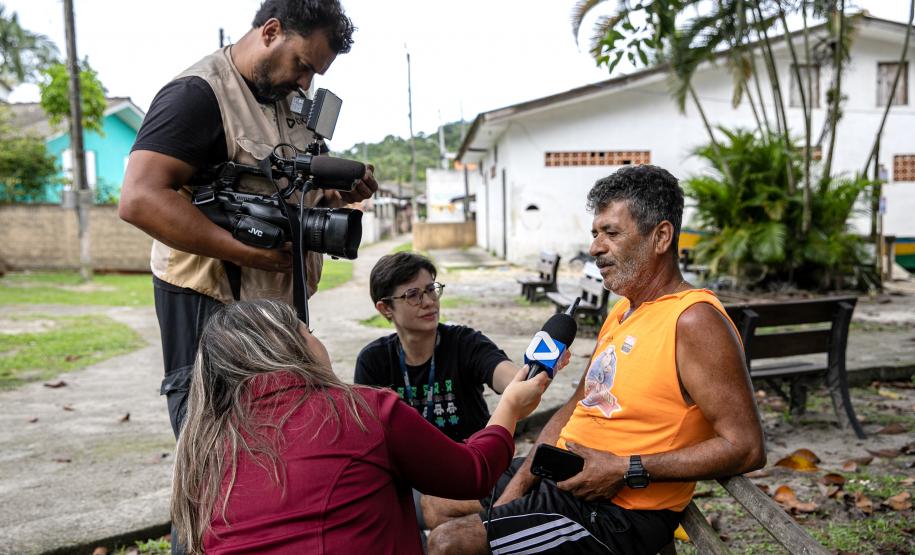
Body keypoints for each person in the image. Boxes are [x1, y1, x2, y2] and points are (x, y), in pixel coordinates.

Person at [427, 164, 767, 554]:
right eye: (594, 233)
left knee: (448, 543)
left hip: (615, 512)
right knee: (437, 501)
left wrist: (626, 469)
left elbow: (746, 447)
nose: (594, 248)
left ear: (660, 237)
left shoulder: (694, 321)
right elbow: (576, 405)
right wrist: (519, 485)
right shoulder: (623, 310)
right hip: (561, 474)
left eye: (611, 233)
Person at [118, 0, 378, 438]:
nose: (304, 81)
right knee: (212, 436)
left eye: (314, 73)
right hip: (208, 297)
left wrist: (333, 194)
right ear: (271, 31)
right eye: (301, 65)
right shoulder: (197, 94)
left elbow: (282, 184)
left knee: (277, 432)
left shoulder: (287, 98)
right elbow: (139, 198)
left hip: (275, 300)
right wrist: (243, 251)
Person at [170, 299, 551, 554]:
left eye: (430, 290)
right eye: (310, 333)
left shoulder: (202, 444)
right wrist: (511, 407)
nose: (426, 301)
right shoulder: (361, 406)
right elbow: (473, 473)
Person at [354, 252, 571, 531]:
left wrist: (531, 378)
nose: (429, 301)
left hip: (472, 469)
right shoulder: (373, 362)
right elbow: (369, 443)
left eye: (432, 289)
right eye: (413, 295)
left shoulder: (465, 343)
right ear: (385, 308)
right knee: (436, 510)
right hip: (414, 481)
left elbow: (507, 378)